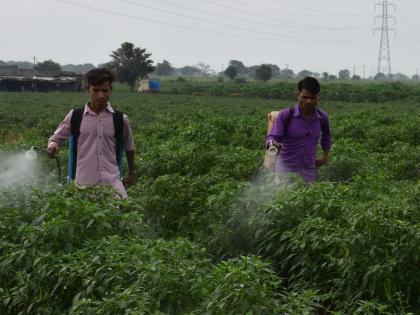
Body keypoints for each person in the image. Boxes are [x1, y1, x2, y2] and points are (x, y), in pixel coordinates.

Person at [47, 68, 136, 198]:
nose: (101, 95)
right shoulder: (75, 116)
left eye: (105, 91)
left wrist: (131, 172)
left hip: (112, 185)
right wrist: (52, 145)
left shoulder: (120, 119)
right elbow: (56, 138)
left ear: (111, 90)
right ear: (88, 90)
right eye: (96, 90)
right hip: (84, 186)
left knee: (121, 214)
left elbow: (129, 147)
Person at [266, 77, 332, 182]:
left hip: (309, 171)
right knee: (282, 196)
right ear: (298, 96)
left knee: (307, 197)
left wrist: (325, 156)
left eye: (312, 98)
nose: (309, 101)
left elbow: (327, 135)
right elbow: (272, 137)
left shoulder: (322, 117)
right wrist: (272, 144)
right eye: (305, 97)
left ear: (318, 97)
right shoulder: (286, 115)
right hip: (285, 170)